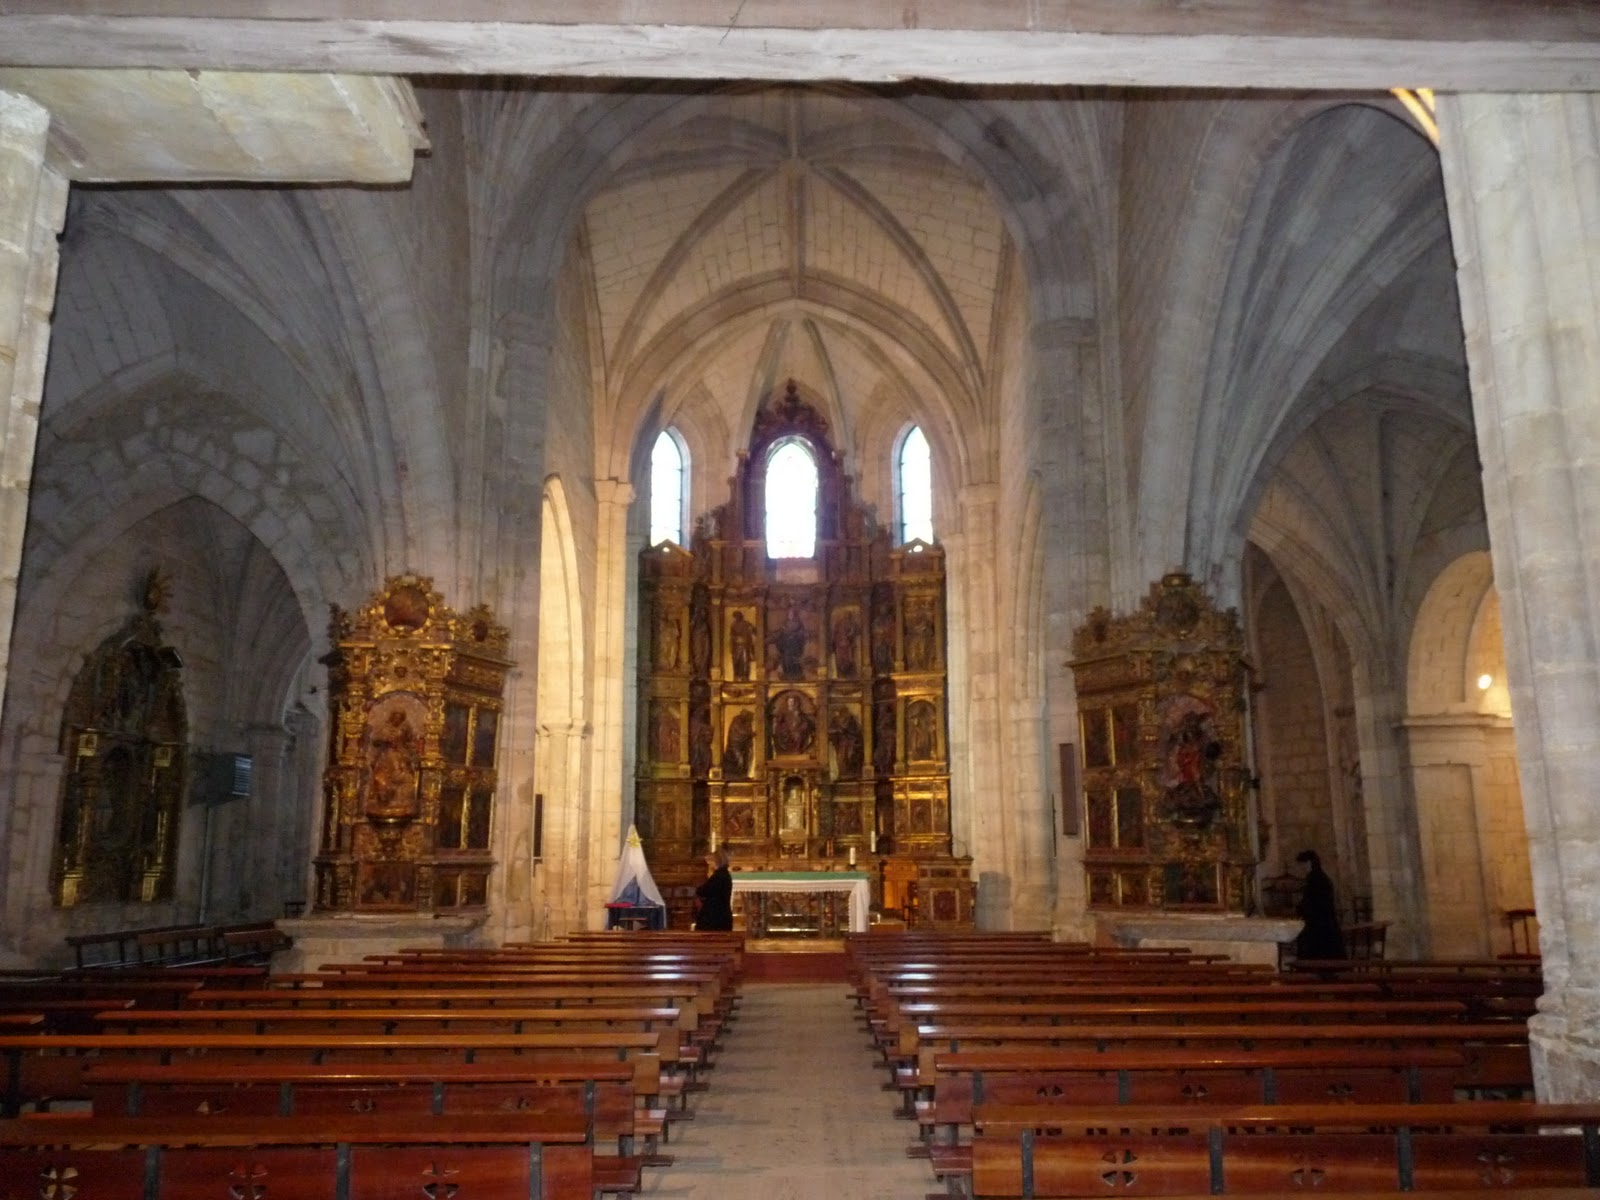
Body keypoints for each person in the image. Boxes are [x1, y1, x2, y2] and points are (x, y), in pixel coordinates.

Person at [1295, 848, 1346, 960]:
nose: (1301, 869)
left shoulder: (1315, 879)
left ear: (1308, 863)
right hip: (1324, 923)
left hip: (1318, 925)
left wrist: (1300, 910)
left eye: (1302, 865)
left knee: (1317, 956)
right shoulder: (1320, 877)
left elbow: (1311, 902)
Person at [694, 849, 734, 931]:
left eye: (711, 861)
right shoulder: (724, 874)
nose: (709, 864)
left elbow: (705, 890)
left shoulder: (719, 875)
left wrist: (698, 888)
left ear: (717, 861)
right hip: (721, 913)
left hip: (715, 916)